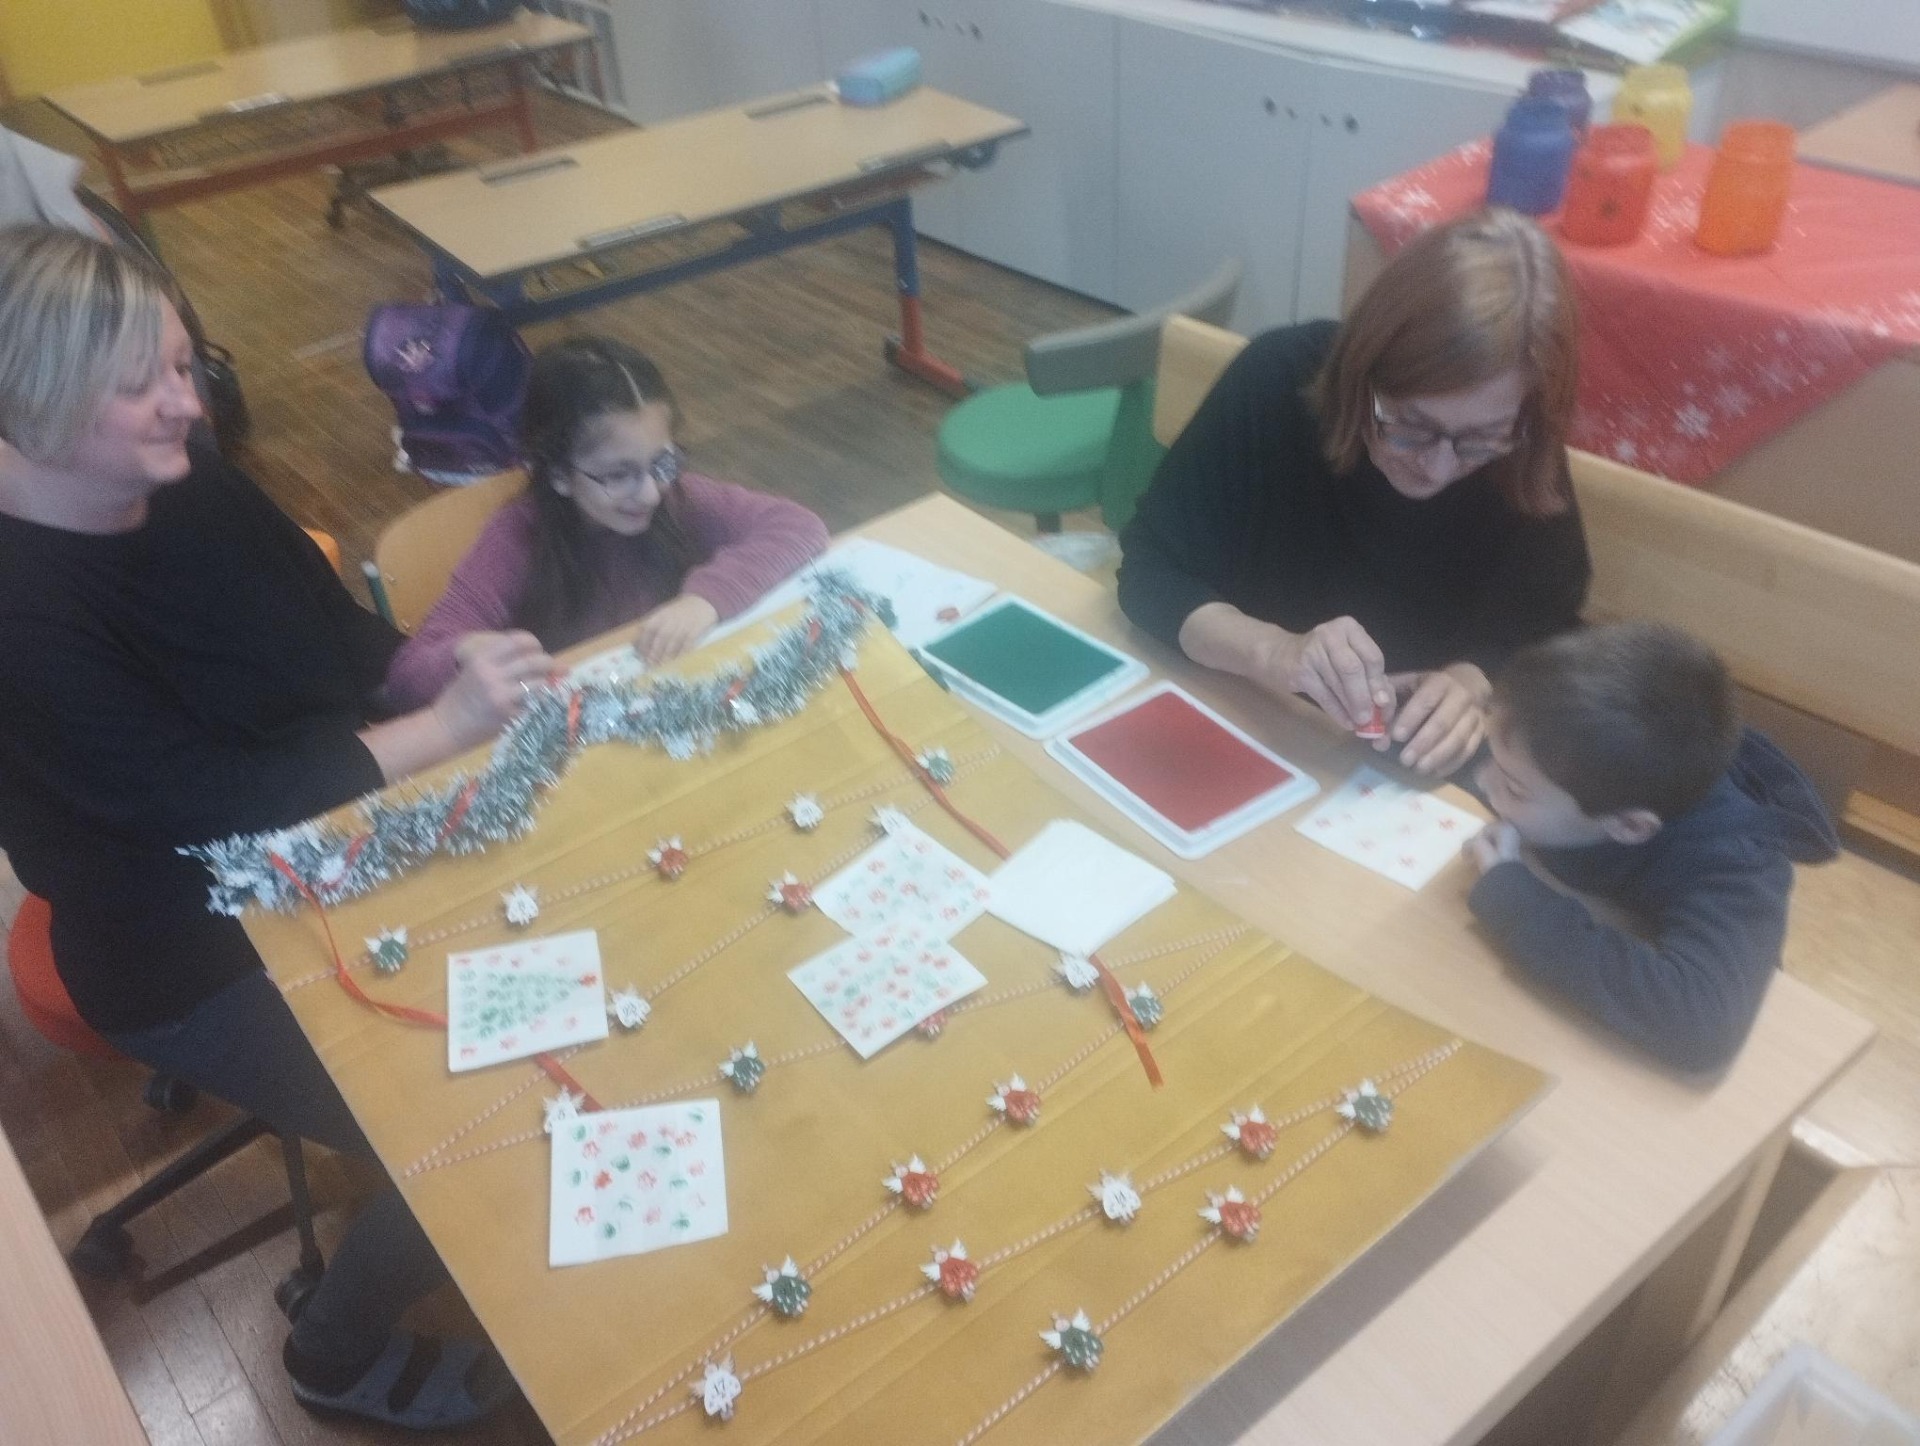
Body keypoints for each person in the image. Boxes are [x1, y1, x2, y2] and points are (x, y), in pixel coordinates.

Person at [0, 225, 554, 1428]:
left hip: (332, 841)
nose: (187, 404)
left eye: (184, 364)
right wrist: (439, 729)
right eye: (141, 385)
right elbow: (207, 807)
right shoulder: (22, 613)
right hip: (188, 948)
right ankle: (333, 1354)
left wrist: (434, 672)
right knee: (485, 1121)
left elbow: (328, 633)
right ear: (32, 408)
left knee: (575, 992)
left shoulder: (184, 477)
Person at [1118, 208, 1591, 777]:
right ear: (1363, 372)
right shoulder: (1280, 381)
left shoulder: (1523, 448)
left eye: (1479, 439)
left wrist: (1472, 680)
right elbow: (1151, 574)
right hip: (1248, 713)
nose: (1439, 467)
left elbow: (1541, 635)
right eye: (1411, 426)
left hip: (1396, 774)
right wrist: (1275, 652)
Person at [1466, 622, 1838, 1072]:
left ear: (1629, 826)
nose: (1482, 781)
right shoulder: (1555, 748)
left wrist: (1512, 900)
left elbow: (1700, 1022)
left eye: (1512, 787)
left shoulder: (1736, 861)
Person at [386, 336, 830, 707]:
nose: (650, 492)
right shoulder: (517, 538)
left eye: (662, 462)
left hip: (668, 697)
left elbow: (798, 526)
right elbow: (408, 676)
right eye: (618, 475)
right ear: (558, 474)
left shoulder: (674, 495)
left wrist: (706, 600)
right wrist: (469, 650)